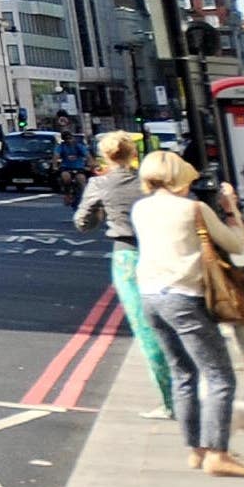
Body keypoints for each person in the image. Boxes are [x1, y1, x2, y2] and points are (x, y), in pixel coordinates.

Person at [133, 148, 244, 478]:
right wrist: (231, 208)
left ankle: (195, 449)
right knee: (220, 377)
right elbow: (236, 245)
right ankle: (218, 453)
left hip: (149, 297)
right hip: (184, 298)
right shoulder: (194, 209)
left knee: (182, 374)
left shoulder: (141, 209)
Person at [72, 131, 177, 419]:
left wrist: (101, 213)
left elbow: (83, 223)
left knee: (147, 329)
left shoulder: (100, 183)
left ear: (105, 156)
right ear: (133, 154)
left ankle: (171, 401)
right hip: (163, 253)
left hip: (128, 258)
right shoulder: (150, 182)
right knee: (176, 321)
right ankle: (190, 387)